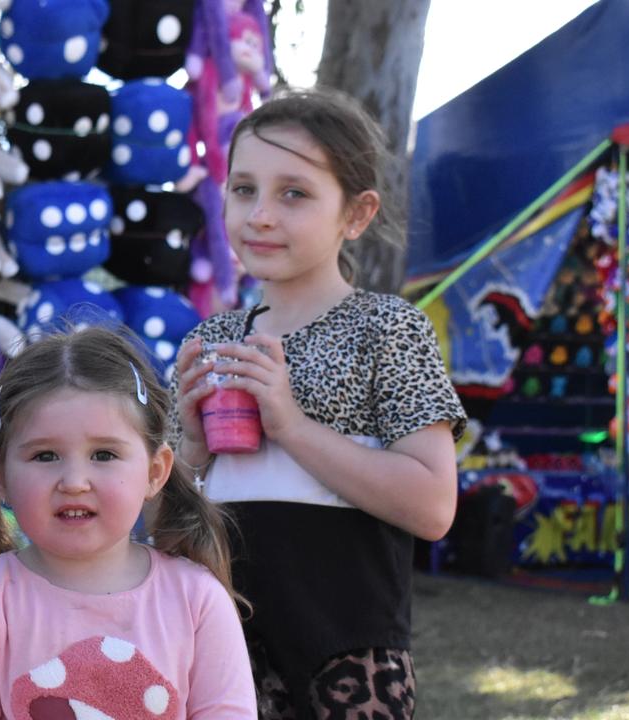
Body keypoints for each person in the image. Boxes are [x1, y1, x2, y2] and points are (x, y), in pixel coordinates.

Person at [169, 89, 467, 720]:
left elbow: (434, 506)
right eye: (243, 188)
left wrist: (291, 426)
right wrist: (188, 455)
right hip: (222, 653)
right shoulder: (209, 340)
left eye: (294, 193)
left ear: (356, 214)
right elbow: (165, 530)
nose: (260, 215)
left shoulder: (388, 328)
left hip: (349, 658)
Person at [0, 326, 257, 719]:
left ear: (155, 471)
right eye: (46, 456)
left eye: (103, 455)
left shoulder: (198, 600)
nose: (74, 482)